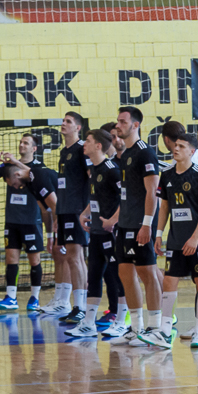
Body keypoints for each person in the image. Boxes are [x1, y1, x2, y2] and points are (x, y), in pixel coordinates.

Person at [155, 132, 198, 349]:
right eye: (176, 145)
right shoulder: (166, 175)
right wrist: (159, 234)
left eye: (181, 146)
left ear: (192, 151)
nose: (176, 148)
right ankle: (164, 331)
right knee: (169, 281)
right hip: (176, 239)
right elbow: (164, 207)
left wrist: (195, 238)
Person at [111, 106, 164, 345]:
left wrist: (147, 225)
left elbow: (152, 192)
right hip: (125, 224)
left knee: (147, 273)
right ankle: (136, 327)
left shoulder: (145, 153)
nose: (118, 125)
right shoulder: (126, 154)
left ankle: (155, 328)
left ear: (135, 125)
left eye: (123, 122)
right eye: (118, 121)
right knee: (125, 272)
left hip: (140, 224)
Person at [0, 134, 54, 312]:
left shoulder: (38, 167)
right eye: (21, 142)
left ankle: (34, 298)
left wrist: (15, 161)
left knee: (34, 260)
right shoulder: (8, 166)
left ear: (34, 149)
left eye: (26, 143)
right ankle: (11, 297)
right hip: (12, 221)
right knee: (11, 259)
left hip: (31, 221)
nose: (22, 145)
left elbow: (34, 175)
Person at [76, 128, 124, 338]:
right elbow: (96, 197)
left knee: (117, 275)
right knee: (93, 276)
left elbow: (126, 198)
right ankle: (88, 323)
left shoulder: (112, 170)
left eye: (87, 140)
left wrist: (113, 220)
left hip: (111, 233)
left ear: (98, 145)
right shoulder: (94, 169)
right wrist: (84, 213)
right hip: (96, 231)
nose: (83, 144)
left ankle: (122, 321)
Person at [48, 111, 90, 324]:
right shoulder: (64, 152)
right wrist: (58, 214)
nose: (63, 124)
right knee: (70, 257)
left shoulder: (82, 149)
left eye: (68, 121)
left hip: (77, 211)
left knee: (76, 257)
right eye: (63, 121)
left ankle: (80, 307)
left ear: (78, 127)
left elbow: (92, 179)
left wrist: (87, 209)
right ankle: (77, 306)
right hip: (65, 210)